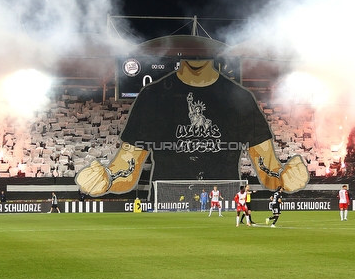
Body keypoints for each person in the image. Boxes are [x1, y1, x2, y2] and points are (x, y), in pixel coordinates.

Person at [75, 40, 308, 197]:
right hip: (168, 204)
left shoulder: (241, 98)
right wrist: (106, 177)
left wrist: (284, 178)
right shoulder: (153, 96)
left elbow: (268, 169)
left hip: (223, 206)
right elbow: (127, 168)